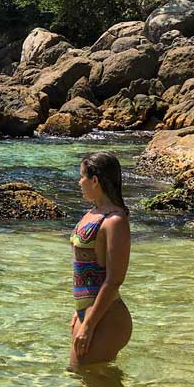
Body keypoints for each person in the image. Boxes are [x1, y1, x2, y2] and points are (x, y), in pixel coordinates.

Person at [69, 151, 133, 368]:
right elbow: (84, 269)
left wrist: (89, 325)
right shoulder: (92, 213)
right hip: (88, 313)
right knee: (88, 380)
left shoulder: (115, 220)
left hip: (106, 317)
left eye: (82, 176)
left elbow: (114, 279)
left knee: (84, 375)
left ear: (94, 180)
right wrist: (78, 313)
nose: (79, 182)